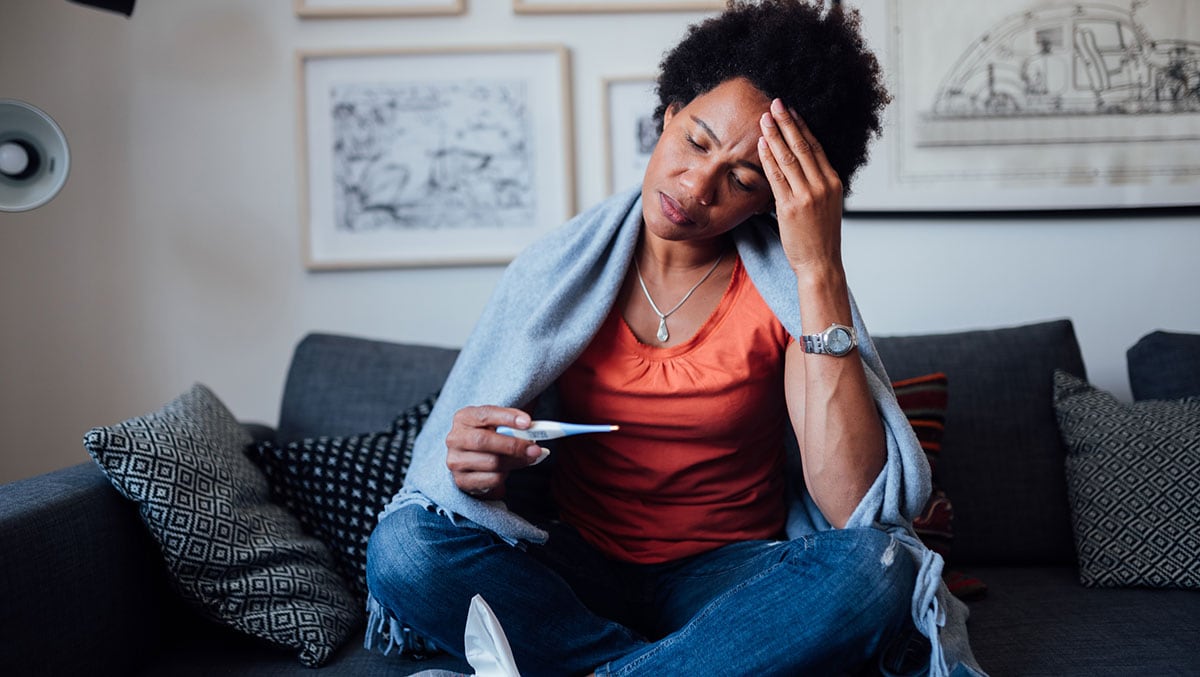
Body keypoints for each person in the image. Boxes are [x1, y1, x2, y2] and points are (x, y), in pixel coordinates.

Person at [365, 1, 982, 675]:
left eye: (742, 180)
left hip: (727, 581)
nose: (694, 187)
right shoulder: (557, 274)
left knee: (882, 566)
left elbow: (852, 506)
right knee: (402, 549)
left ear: (771, 200)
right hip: (575, 571)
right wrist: (475, 460)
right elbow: (460, 473)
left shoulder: (788, 293)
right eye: (694, 142)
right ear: (668, 114)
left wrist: (820, 267)